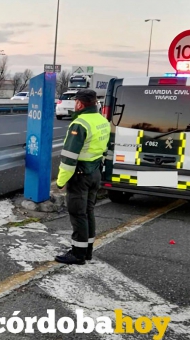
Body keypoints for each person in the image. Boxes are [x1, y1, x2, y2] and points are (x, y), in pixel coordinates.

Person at [54, 89, 110, 265]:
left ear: (79, 104)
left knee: (78, 213)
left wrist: (61, 181)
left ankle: (78, 254)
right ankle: (87, 251)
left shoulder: (80, 124)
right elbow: (105, 149)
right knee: (88, 211)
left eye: (76, 101)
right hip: (95, 173)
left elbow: (69, 157)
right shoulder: (102, 121)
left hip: (80, 176)